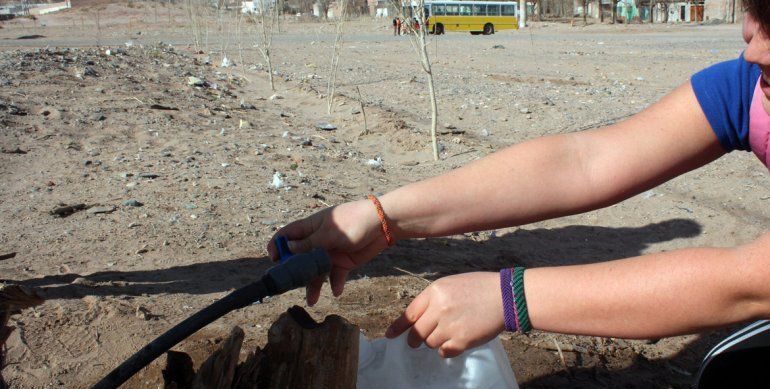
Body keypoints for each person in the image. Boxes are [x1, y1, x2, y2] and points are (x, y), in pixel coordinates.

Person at [268, 4, 770, 362]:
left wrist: (509, 298)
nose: (751, 40)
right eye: (756, 7)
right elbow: (585, 163)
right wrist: (382, 216)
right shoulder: (749, 86)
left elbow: (751, 282)